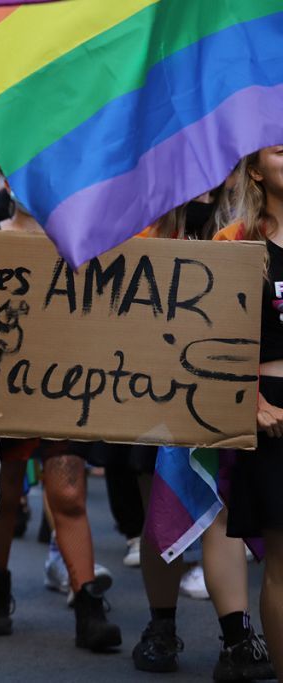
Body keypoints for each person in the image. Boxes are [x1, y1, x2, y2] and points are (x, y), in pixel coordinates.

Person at [0, 188, 122, 654]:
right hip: (7, 395)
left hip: (66, 388)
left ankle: (87, 602)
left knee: (69, 492)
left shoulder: (82, 242)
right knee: (4, 496)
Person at [211, 146, 283, 678]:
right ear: (255, 170)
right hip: (273, 413)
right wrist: (252, 402)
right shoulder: (235, 243)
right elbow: (214, 344)